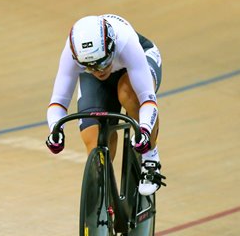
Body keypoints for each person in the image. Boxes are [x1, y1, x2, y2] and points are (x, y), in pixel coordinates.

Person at [45, 14, 166, 195]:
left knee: (127, 92)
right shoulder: (74, 53)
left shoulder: (125, 42)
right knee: (93, 138)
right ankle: (106, 200)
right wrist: (55, 130)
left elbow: (147, 99)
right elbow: (58, 101)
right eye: (89, 66)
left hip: (137, 64)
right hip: (103, 72)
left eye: (101, 64)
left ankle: (150, 158)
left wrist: (146, 131)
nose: (98, 71)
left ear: (110, 47)